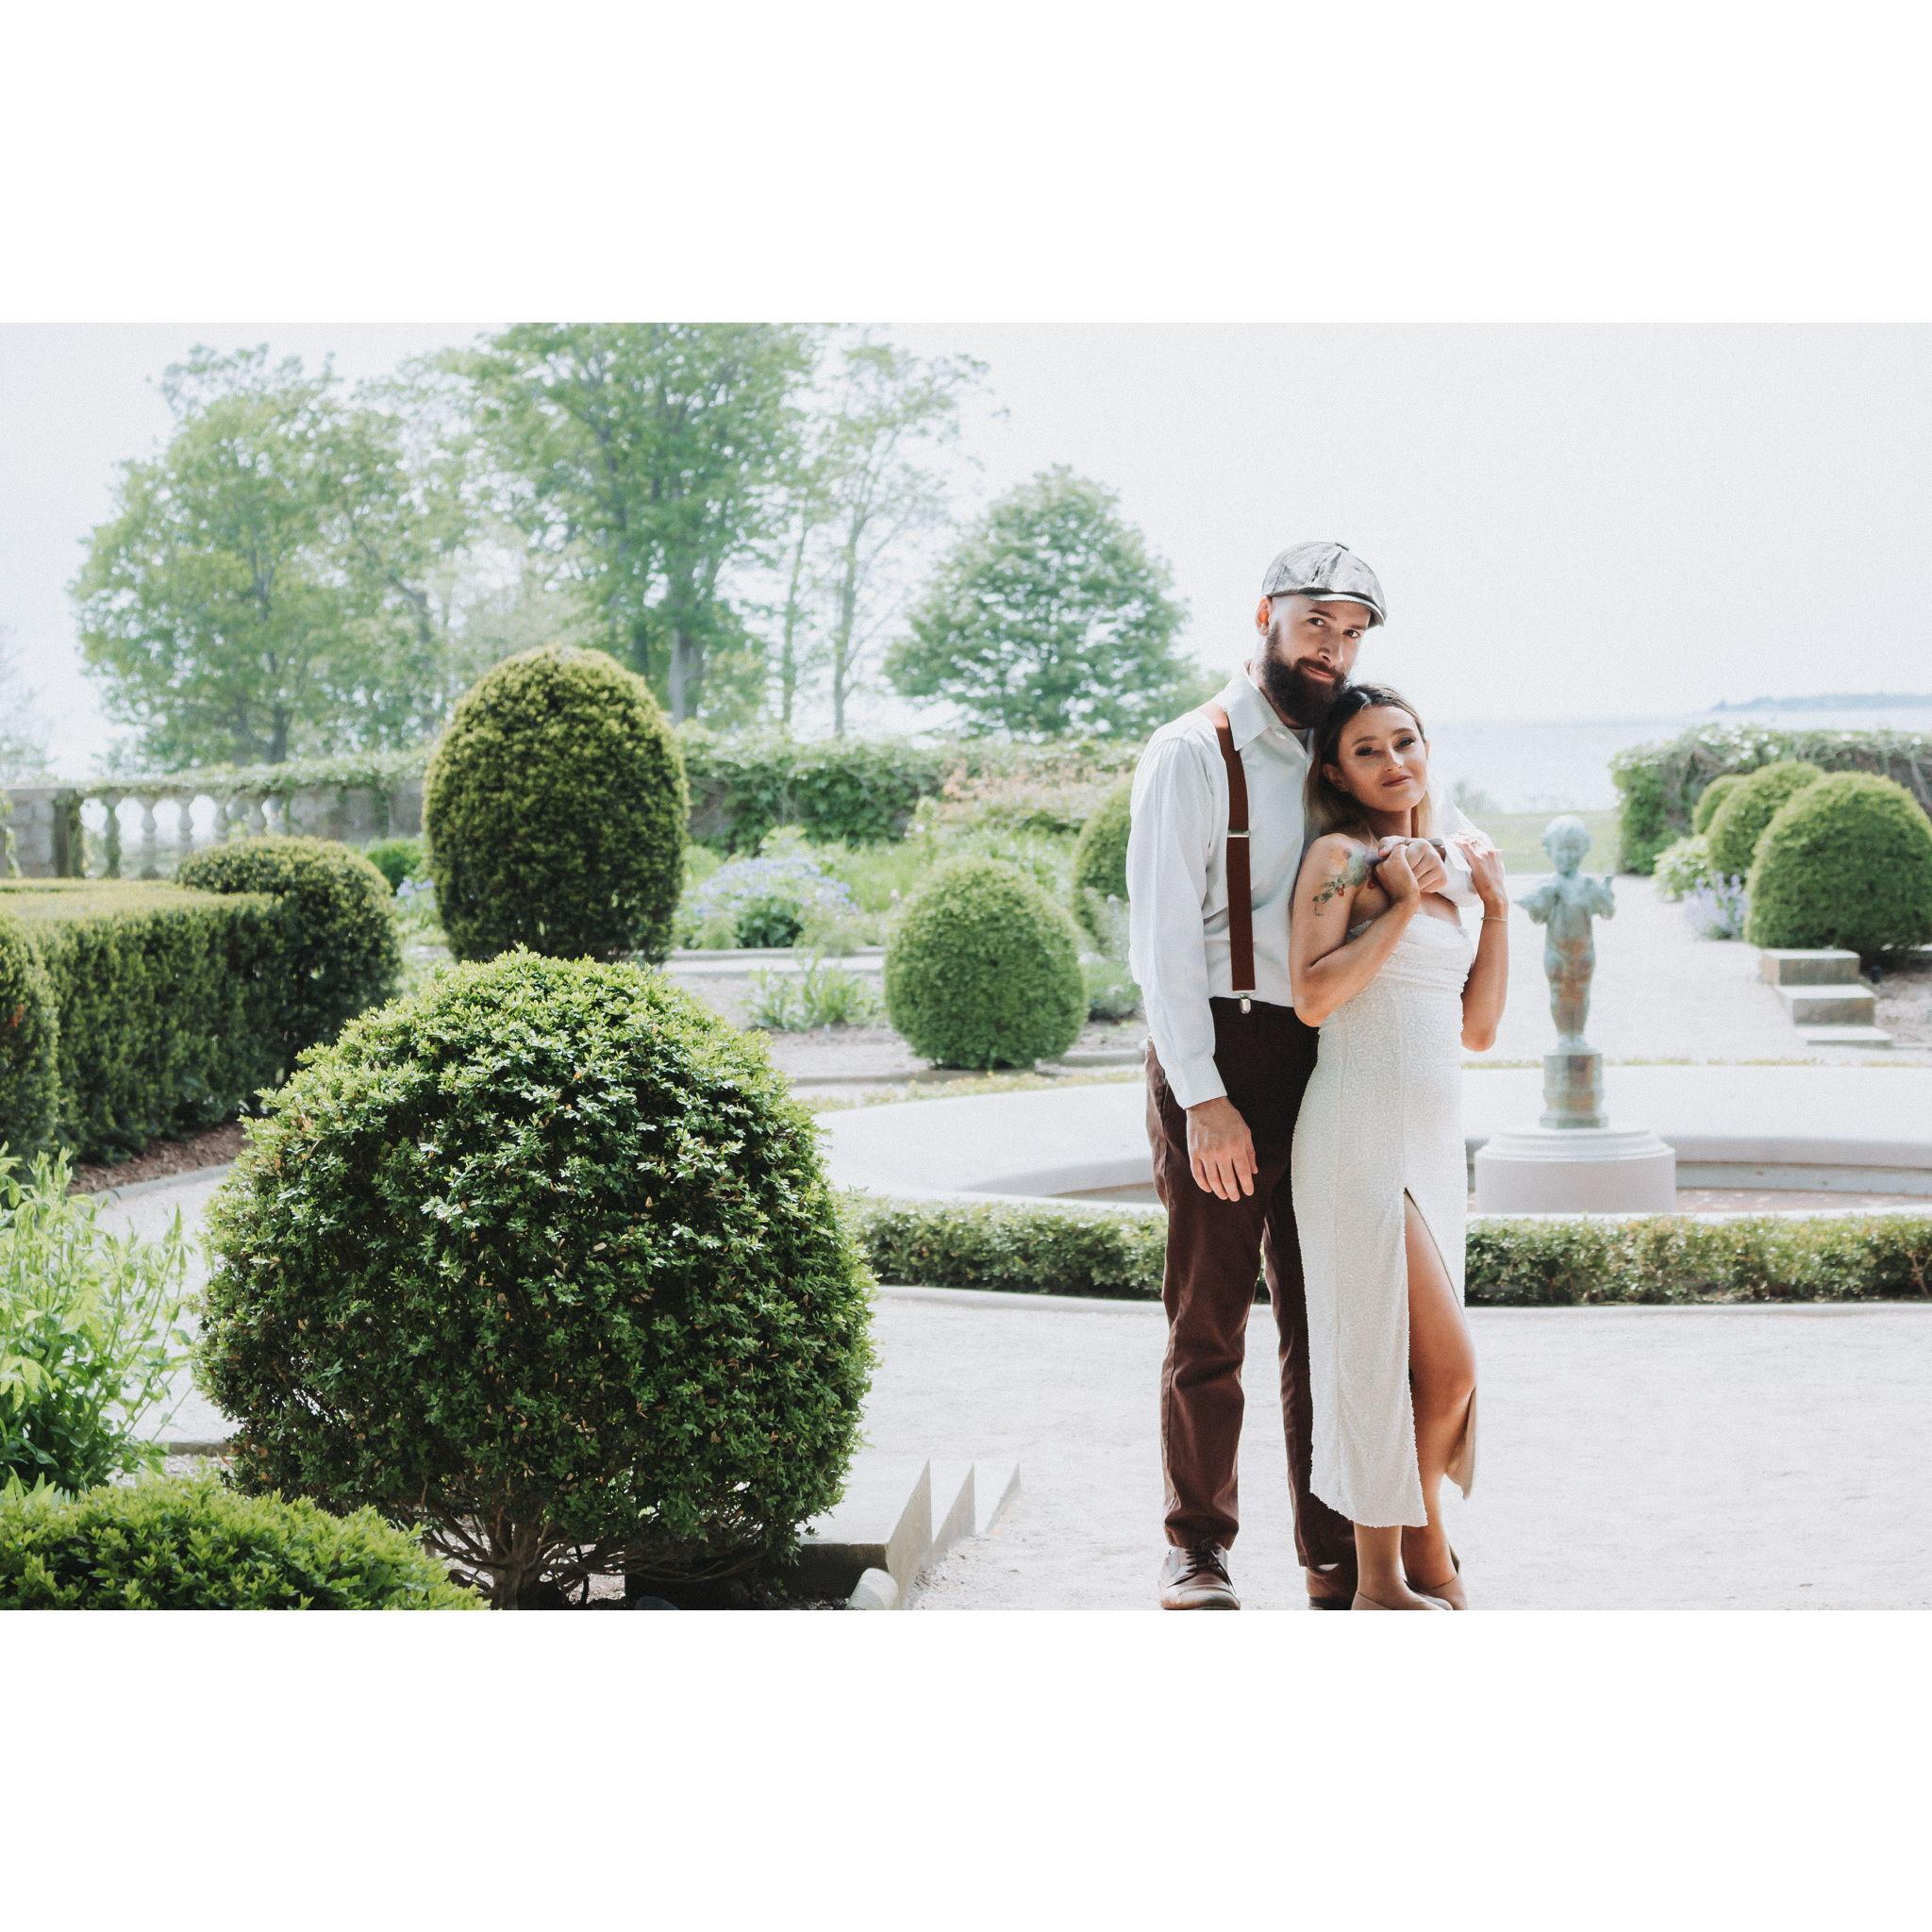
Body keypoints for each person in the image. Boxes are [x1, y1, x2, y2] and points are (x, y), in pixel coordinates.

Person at [1125, 540, 1492, 1611]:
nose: (1332, 646)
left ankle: (1334, 1553)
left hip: (1329, 1054)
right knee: (1209, 1319)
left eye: (1351, 631)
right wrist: (1202, 1098)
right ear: (1266, 618)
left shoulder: (1341, 747)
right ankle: (1197, 1548)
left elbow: (1413, 851)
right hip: (1223, 1049)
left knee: (1331, 1315)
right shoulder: (1193, 751)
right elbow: (1161, 944)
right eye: (1315, 623)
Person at [1288, 683, 1509, 1609]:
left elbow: (1478, 1030)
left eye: (1404, 741)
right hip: (1355, 1128)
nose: (1393, 762)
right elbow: (1312, 997)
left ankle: (1414, 1553)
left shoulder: (1450, 866)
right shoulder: (1339, 858)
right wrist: (1402, 906)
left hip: (1433, 1138)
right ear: (1337, 773)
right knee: (1392, 1354)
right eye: (1367, 749)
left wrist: (1494, 907)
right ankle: (1388, 1572)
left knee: (1437, 1369)